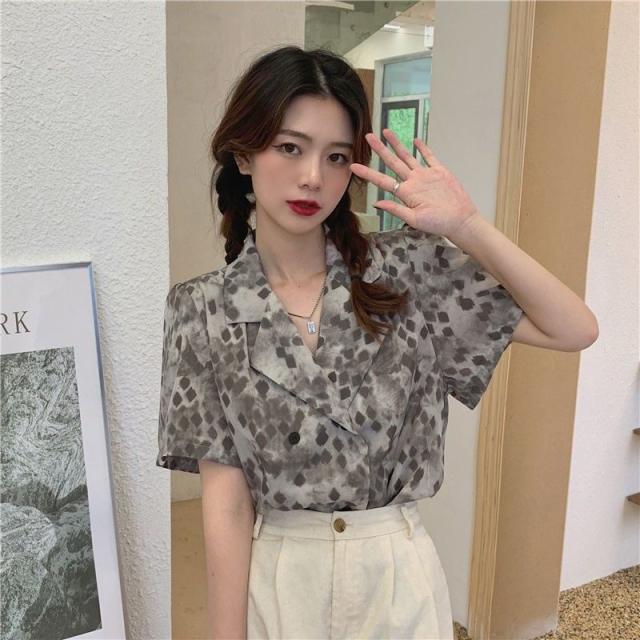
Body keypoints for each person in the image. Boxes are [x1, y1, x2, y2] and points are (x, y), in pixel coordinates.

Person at [156, 45, 598, 640]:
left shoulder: (405, 271)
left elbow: (573, 327)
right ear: (243, 153)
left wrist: (468, 226)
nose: (313, 177)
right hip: (282, 582)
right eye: (290, 147)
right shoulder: (202, 309)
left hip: (397, 578)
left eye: (336, 156)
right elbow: (226, 503)